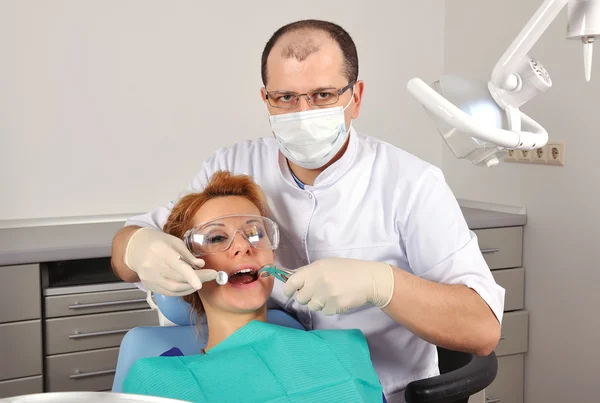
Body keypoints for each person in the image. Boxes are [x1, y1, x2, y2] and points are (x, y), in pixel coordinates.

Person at [111, 19, 505, 402]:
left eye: (322, 95)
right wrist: (139, 247)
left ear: (356, 97)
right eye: (286, 98)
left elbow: (482, 329)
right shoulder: (233, 166)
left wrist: (383, 285)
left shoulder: (412, 184)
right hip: (261, 372)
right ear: (265, 99)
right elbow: (133, 245)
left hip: (379, 389)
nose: (303, 111)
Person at [122, 171, 384, 402]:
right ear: (184, 267)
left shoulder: (344, 350)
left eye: (256, 233)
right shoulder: (160, 382)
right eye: (216, 237)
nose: (243, 246)